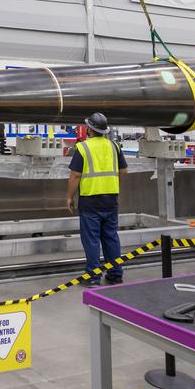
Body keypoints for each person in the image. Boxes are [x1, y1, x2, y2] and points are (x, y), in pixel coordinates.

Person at [66, 113, 128, 285]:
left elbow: (75, 176)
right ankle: (116, 274)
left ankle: (93, 277)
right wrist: (113, 185)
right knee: (111, 237)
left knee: (92, 240)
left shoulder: (83, 148)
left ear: (89, 129)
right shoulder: (114, 146)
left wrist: (69, 197)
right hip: (111, 200)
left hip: (90, 201)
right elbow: (124, 171)